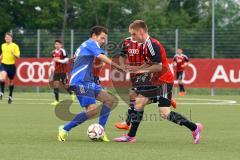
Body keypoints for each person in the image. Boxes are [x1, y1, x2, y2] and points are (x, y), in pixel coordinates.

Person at [114, 20, 203, 144]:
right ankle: (131, 136)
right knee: (138, 103)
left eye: (134, 34)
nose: (132, 37)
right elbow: (149, 62)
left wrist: (140, 71)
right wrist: (137, 68)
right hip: (156, 81)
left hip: (164, 82)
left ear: (141, 32)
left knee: (165, 113)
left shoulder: (152, 44)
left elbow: (158, 67)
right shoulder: (145, 44)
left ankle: (194, 127)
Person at [57, 26, 124, 142]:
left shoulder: (86, 45)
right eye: (102, 38)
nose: (103, 41)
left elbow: (85, 62)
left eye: (104, 39)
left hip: (87, 81)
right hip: (80, 81)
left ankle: (101, 131)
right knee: (92, 111)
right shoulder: (91, 43)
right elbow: (101, 57)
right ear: (94, 36)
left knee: (109, 99)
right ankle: (64, 128)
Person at [115, 35, 176, 131]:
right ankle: (165, 96)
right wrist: (122, 66)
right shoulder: (126, 41)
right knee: (134, 96)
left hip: (145, 72)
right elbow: (122, 55)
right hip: (134, 72)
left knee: (135, 96)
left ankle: (127, 123)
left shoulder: (145, 42)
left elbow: (152, 60)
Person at [50, 39, 75, 106]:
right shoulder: (53, 52)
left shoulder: (63, 51)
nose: (57, 45)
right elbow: (53, 61)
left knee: (65, 85)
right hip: (56, 71)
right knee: (55, 85)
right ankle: (56, 101)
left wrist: (59, 60)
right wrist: (52, 66)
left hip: (63, 71)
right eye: (56, 44)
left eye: (58, 44)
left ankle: (71, 93)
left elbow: (66, 60)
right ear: (54, 45)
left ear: (61, 45)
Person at [0, 32, 20, 104]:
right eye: (6, 37)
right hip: (4, 64)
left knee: (11, 81)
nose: (7, 38)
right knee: (2, 78)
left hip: (11, 66)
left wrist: (13, 53)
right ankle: (1, 92)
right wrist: (1, 56)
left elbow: (18, 57)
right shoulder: (3, 45)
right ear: (4, 38)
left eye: (8, 37)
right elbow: (3, 52)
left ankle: (10, 96)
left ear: (11, 38)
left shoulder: (15, 46)